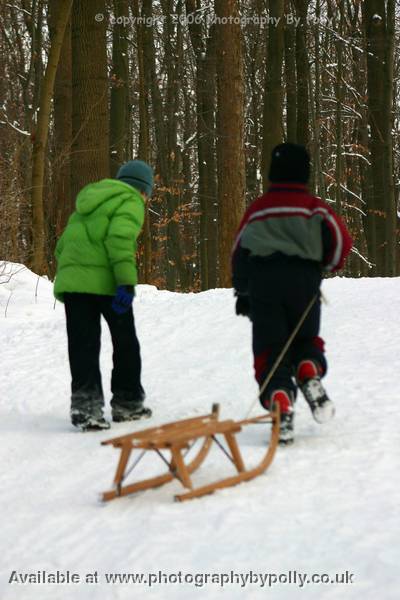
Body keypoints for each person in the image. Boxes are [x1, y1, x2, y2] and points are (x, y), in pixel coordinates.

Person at [232, 143, 352, 444]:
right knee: (304, 338)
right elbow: (341, 241)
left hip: (263, 283)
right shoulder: (314, 208)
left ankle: (281, 399)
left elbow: (239, 250)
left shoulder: (258, 210)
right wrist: (327, 264)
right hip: (304, 282)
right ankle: (308, 368)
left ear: (273, 174)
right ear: (305, 174)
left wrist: (242, 290)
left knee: (270, 348)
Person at [54, 160, 153, 431]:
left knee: (83, 344)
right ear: (143, 190)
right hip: (109, 284)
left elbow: (62, 247)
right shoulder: (130, 200)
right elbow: (119, 239)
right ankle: (127, 402)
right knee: (125, 342)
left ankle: (86, 407)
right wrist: (126, 283)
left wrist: (74, 275)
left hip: (74, 286)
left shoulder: (88, 202)